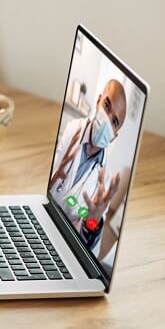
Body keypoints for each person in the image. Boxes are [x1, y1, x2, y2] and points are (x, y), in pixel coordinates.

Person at [49, 78, 127, 253]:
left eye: (114, 122)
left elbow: (89, 245)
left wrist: (92, 222)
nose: (107, 119)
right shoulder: (72, 130)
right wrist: (52, 179)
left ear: (114, 135)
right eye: (107, 105)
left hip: (63, 245)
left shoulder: (104, 180)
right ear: (98, 100)